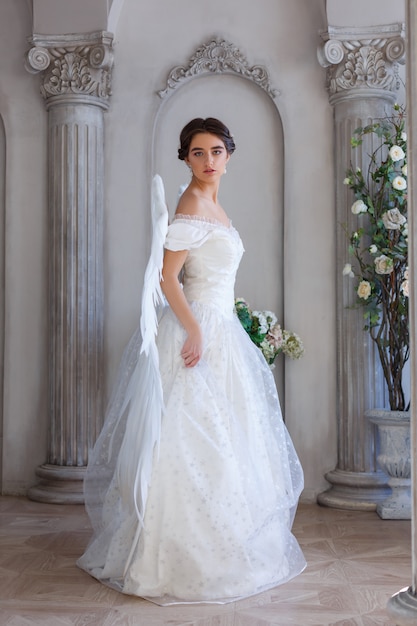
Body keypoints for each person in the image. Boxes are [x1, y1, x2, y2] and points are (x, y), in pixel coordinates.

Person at [77, 117, 306, 605]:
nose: (208, 161)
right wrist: (197, 330)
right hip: (198, 327)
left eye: (216, 151)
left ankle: (226, 545)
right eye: (198, 153)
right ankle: (180, 555)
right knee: (192, 436)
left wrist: (215, 326)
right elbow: (167, 278)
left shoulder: (214, 206)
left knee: (230, 437)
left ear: (229, 155)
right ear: (185, 158)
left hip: (221, 326)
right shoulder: (191, 204)